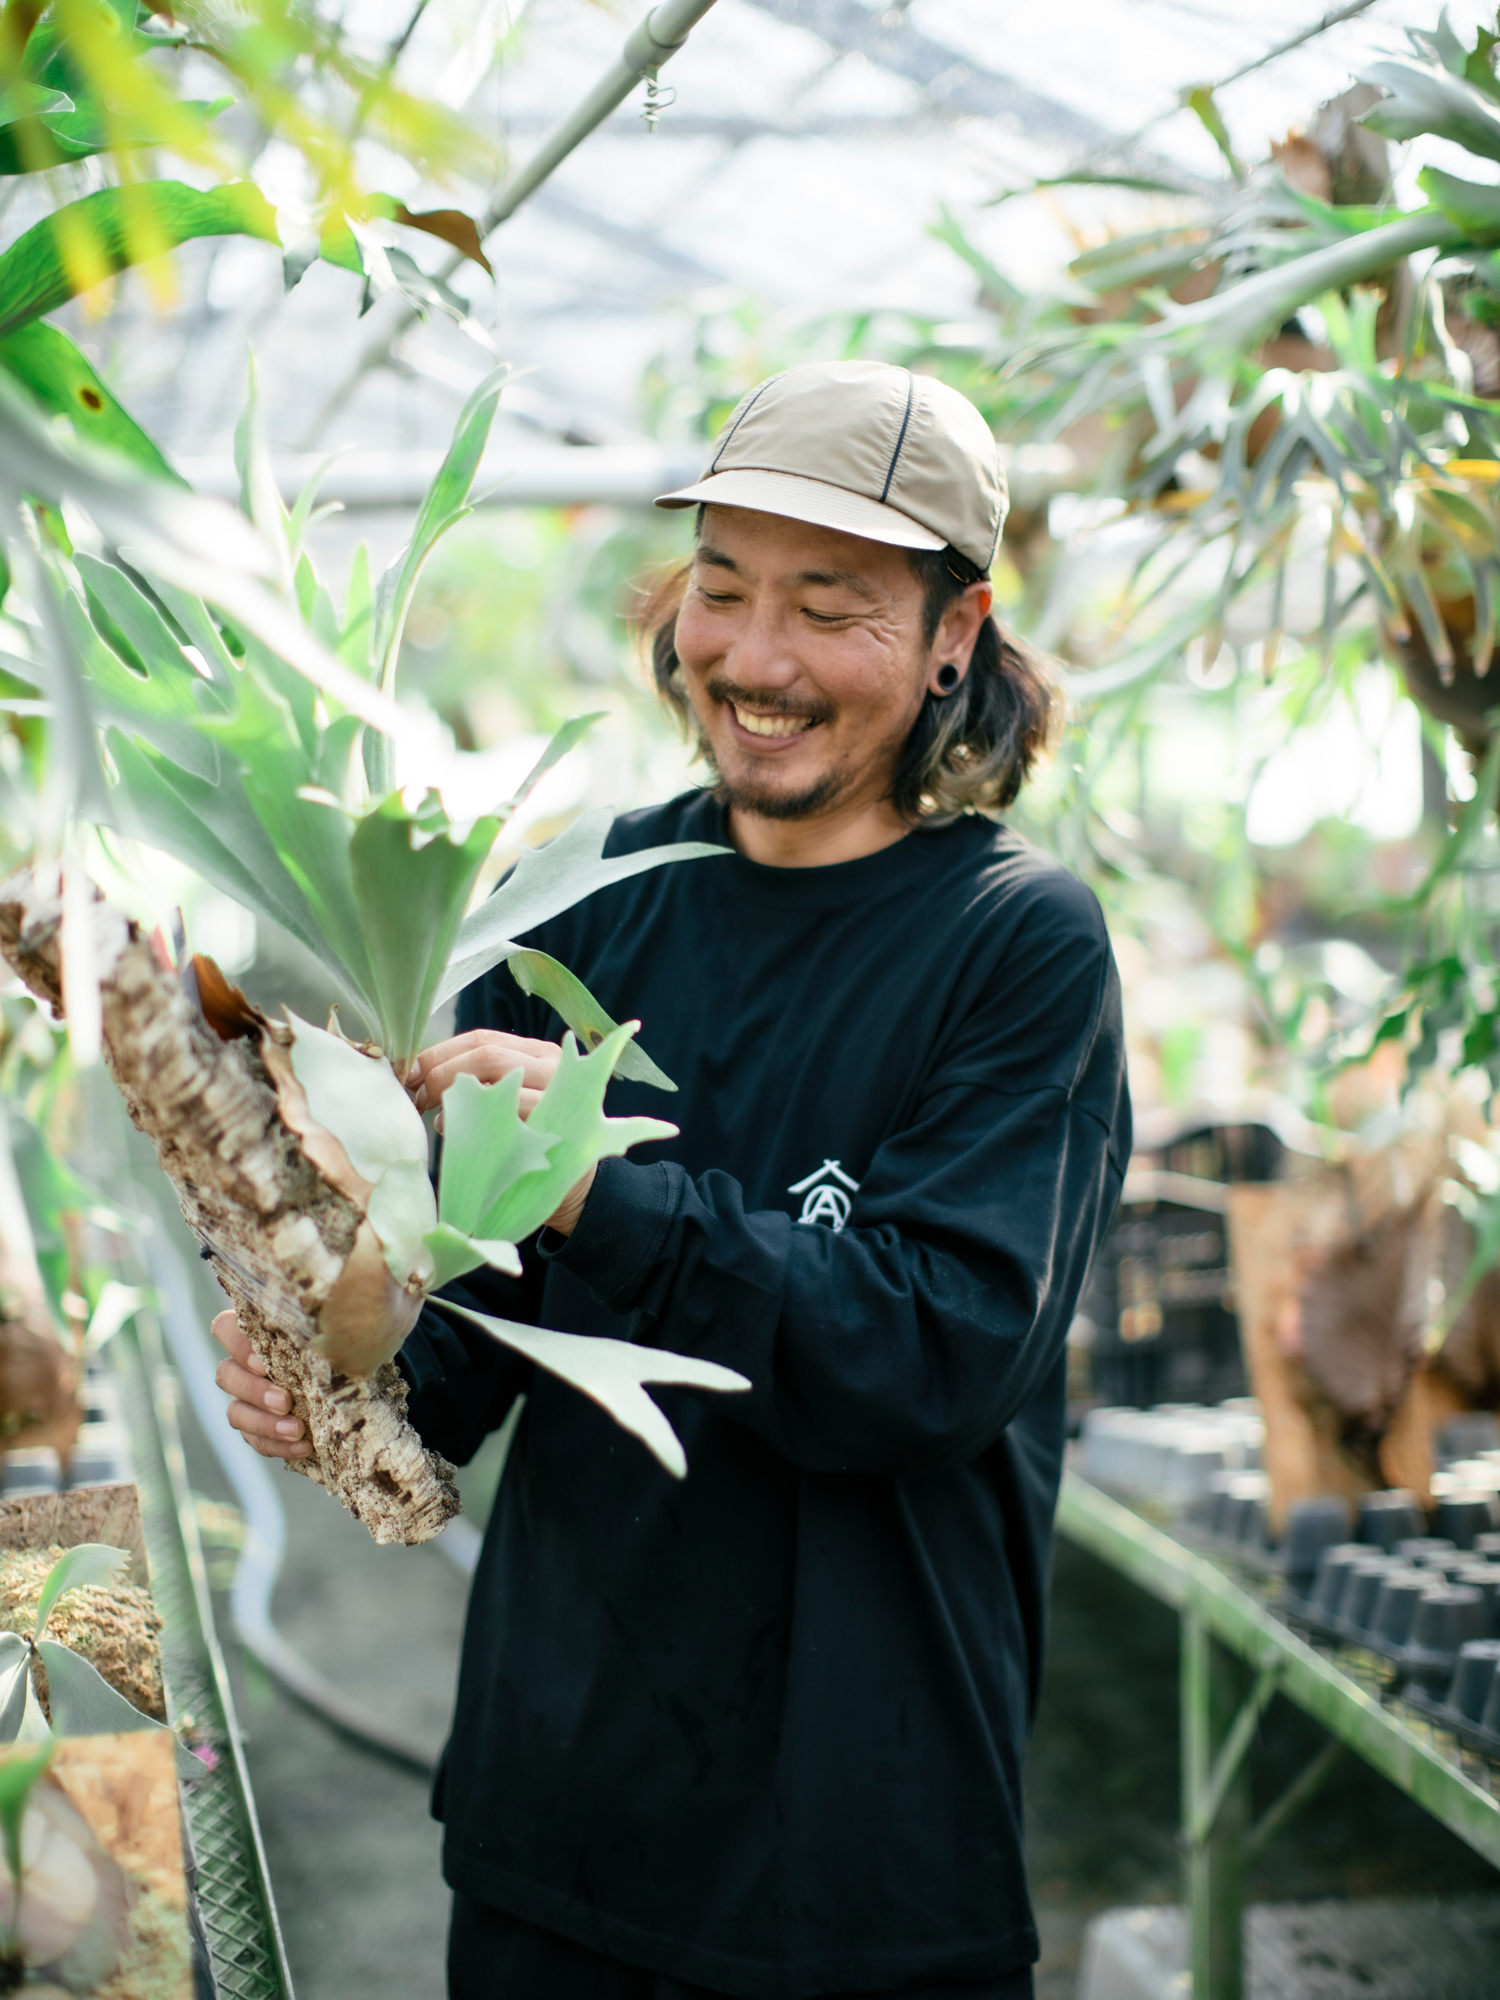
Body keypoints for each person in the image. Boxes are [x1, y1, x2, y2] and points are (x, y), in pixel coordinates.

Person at [213, 359, 1131, 2000]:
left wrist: (596, 1185)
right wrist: (341, 1361)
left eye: (828, 608)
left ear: (956, 633)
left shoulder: (1013, 946)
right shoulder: (589, 902)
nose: (755, 660)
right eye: (722, 588)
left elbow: (930, 1356)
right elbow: (465, 1349)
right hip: (556, 1830)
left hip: (850, 1873)